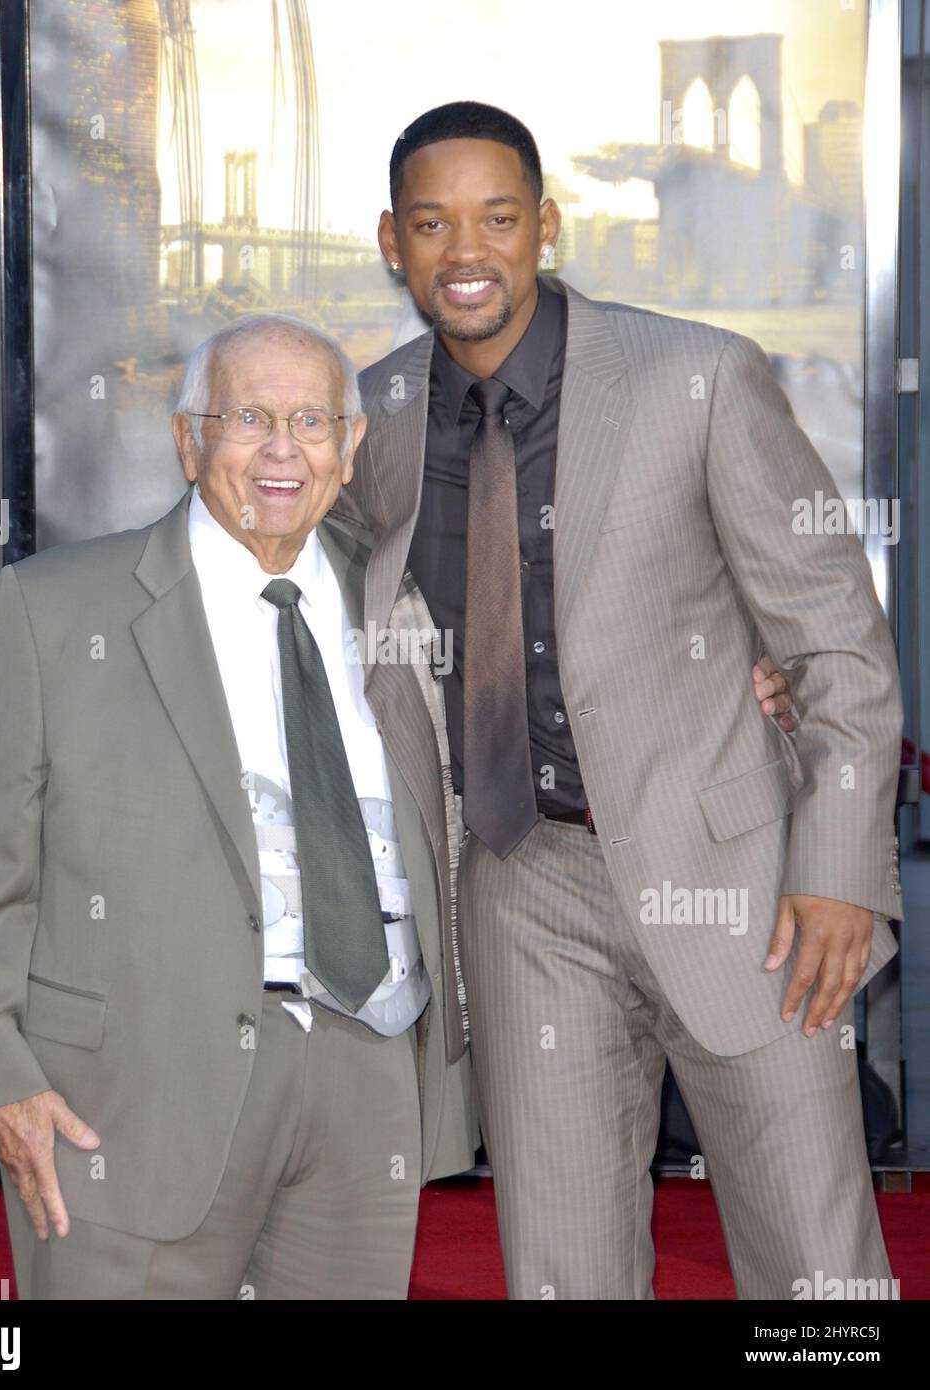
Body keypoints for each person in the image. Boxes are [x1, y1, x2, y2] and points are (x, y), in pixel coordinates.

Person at [339, 101, 904, 1299]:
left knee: (815, 1272)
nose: (467, 250)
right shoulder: (372, 418)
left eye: (496, 216)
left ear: (543, 225)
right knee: (561, 1270)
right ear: (392, 242)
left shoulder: (692, 377)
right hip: (519, 883)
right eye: (432, 223)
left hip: (749, 890)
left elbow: (837, 646)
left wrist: (839, 868)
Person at [0, 314, 476, 1300]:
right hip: (124, 1097)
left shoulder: (406, 606)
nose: (280, 448)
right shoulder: (55, 610)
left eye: (311, 420)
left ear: (349, 449)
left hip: (366, 1078)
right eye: (246, 417)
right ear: (188, 440)